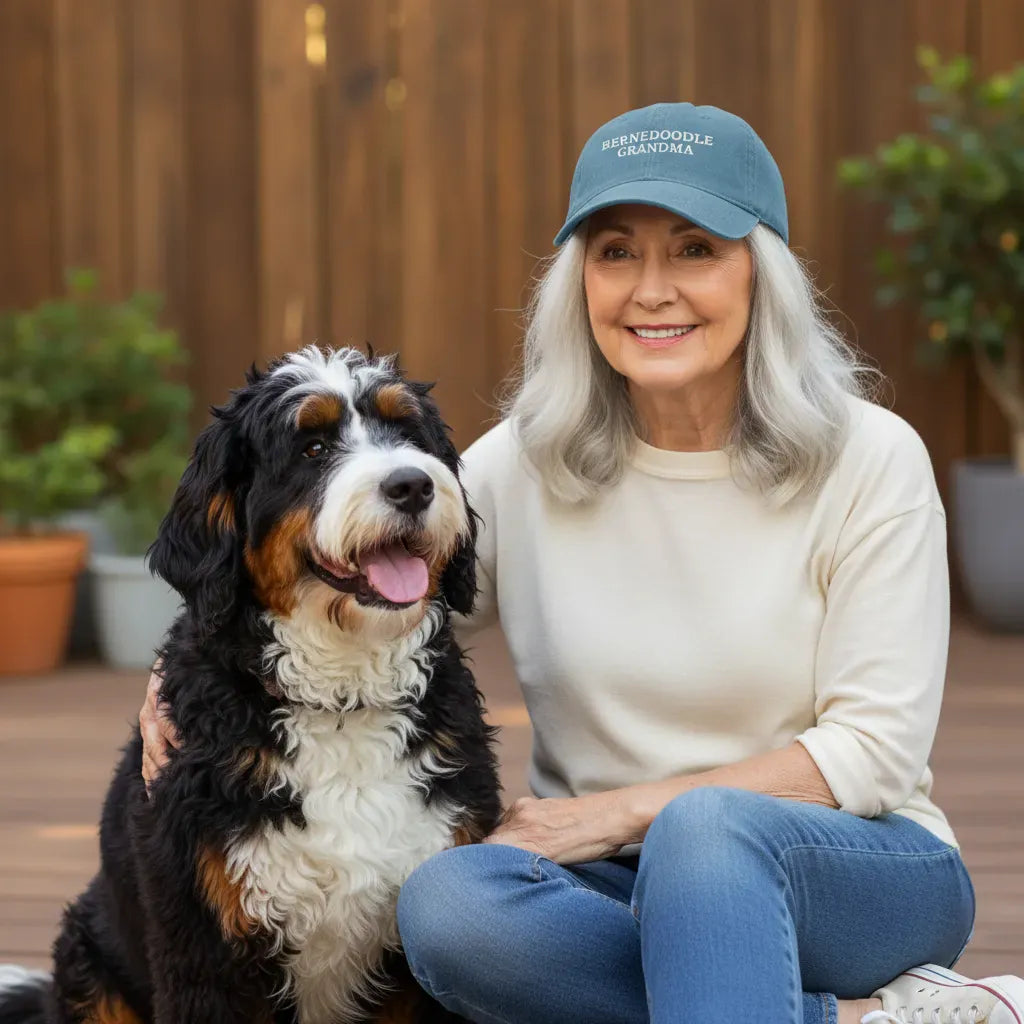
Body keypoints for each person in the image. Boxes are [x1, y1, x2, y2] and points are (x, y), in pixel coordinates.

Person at [140, 103, 1024, 1023]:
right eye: (615, 253)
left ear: (763, 276)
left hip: (854, 869)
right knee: (447, 907)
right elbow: (369, 586)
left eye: (695, 250)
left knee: (704, 836)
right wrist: (179, 667)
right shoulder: (525, 461)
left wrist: (622, 812)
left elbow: (874, 753)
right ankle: (871, 1019)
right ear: (579, 282)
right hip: (606, 887)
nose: (651, 290)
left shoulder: (871, 458)